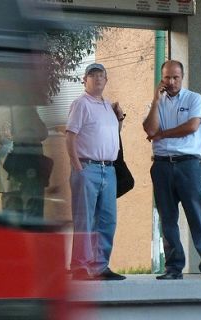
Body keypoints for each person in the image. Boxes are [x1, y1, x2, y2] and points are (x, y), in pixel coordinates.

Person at [143, 60, 201, 280]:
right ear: (161, 78)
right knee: (167, 218)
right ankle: (173, 267)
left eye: (176, 77)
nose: (171, 81)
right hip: (161, 165)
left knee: (197, 215)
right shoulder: (156, 103)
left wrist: (163, 134)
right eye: (167, 77)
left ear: (182, 76)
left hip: (188, 164)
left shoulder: (194, 98)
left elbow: (192, 127)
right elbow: (149, 128)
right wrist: (156, 101)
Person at [66, 63, 126, 281]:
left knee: (107, 220)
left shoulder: (108, 106)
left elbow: (113, 135)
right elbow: (70, 135)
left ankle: (100, 266)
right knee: (85, 219)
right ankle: (80, 266)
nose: (98, 78)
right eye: (93, 75)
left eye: (101, 75)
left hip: (108, 169)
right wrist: (77, 166)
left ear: (106, 80)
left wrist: (119, 120)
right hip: (87, 167)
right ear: (85, 80)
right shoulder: (81, 104)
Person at [0, 105, 49, 218]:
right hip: (29, 171)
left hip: (6, 171)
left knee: (11, 216)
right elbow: (43, 133)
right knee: (33, 212)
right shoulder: (28, 109)